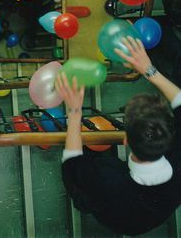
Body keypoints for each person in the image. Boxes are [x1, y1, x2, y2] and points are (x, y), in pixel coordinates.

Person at [55, 36, 181, 236]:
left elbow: (72, 165)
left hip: (119, 216)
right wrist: (149, 70)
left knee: (87, 179)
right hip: (153, 211)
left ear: (125, 140)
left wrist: (74, 113)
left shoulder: (105, 178)